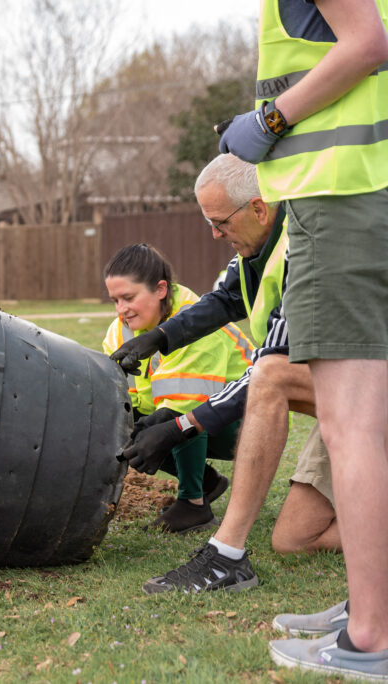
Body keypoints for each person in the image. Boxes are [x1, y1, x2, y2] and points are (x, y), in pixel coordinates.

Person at [215, 0, 388, 676]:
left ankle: (371, 637)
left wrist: (268, 120)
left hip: (343, 198)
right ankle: (371, 603)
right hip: (363, 194)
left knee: (353, 427)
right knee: (367, 424)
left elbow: (367, 44)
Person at [111, 155, 339, 596]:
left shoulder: (308, 249)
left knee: (271, 374)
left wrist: (181, 425)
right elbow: (221, 301)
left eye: (220, 222)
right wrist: (157, 338)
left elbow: (268, 371)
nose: (214, 234)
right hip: (346, 408)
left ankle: (227, 556)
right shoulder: (256, 251)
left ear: (258, 208)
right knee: (294, 540)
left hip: (370, 391)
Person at [103, 243, 253, 533]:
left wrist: (149, 428)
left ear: (160, 290)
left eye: (128, 298)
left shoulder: (198, 321)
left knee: (178, 413)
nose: (121, 310)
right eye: (115, 301)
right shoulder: (118, 332)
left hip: (246, 422)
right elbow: (128, 404)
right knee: (126, 425)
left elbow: (189, 404)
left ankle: (192, 504)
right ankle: (206, 482)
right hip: (200, 418)